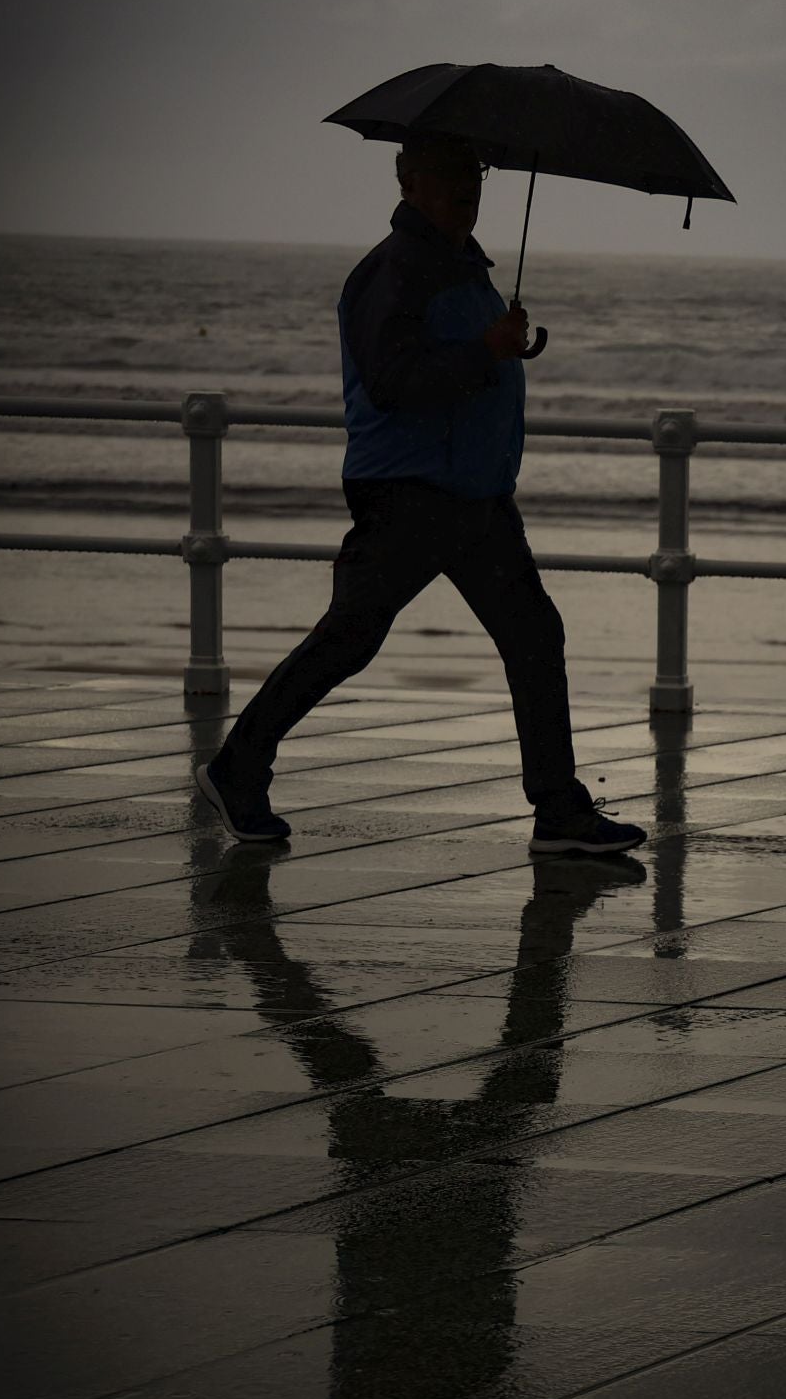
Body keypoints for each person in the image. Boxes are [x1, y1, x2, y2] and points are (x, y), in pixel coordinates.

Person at [196, 130, 647, 856]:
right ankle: (237, 768)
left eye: (473, 175)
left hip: (472, 495)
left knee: (532, 635)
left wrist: (502, 346)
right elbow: (391, 380)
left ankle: (559, 810)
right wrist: (485, 352)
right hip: (409, 492)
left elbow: (458, 360)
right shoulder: (396, 271)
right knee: (350, 638)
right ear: (408, 182)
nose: (466, 188)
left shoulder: (459, 265)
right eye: (448, 176)